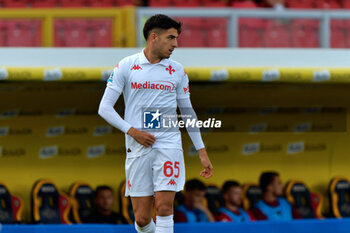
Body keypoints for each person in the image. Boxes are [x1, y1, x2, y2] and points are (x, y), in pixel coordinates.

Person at [98, 14, 213, 233]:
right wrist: (133, 132)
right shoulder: (126, 66)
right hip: (138, 145)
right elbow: (104, 108)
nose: (175, 44)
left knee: (163, 207)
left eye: (177, 38)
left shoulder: (177, 70)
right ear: (154, 37)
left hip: (168, 144)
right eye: (170, 38)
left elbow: (187, 112)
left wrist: (202, 150)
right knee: (141, 219)